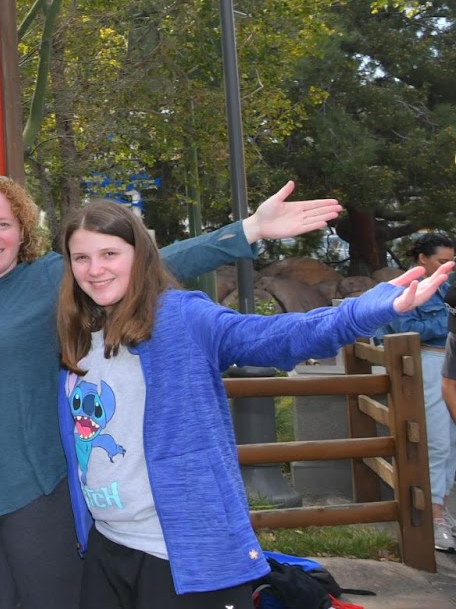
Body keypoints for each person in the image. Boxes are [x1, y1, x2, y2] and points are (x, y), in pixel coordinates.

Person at [0, 176, 342, 609]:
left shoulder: (51, 277)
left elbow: (143, 262)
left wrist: (248, 229)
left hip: (38, 489)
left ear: (23, 228)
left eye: (4, 224)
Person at [55, 199, 453, 607]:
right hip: (108, 545)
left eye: (109, 254)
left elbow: (277, 337)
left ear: (139, 256)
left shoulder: (181, 316)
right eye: (81, 257)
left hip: (182, 553)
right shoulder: (80, 332)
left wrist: (368, 309)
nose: (95, 269)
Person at [382, 231, 456, 551]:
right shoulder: (407, 288)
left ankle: (444, 510)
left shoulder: (450, 288)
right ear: (422, 260)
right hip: (428, 361)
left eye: (452, 261)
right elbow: (403, 328)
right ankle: (434, 517)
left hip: (449, 358)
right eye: (442, 261)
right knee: (438, 440)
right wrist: (449, 325)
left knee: (452, 442)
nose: (449, 266)